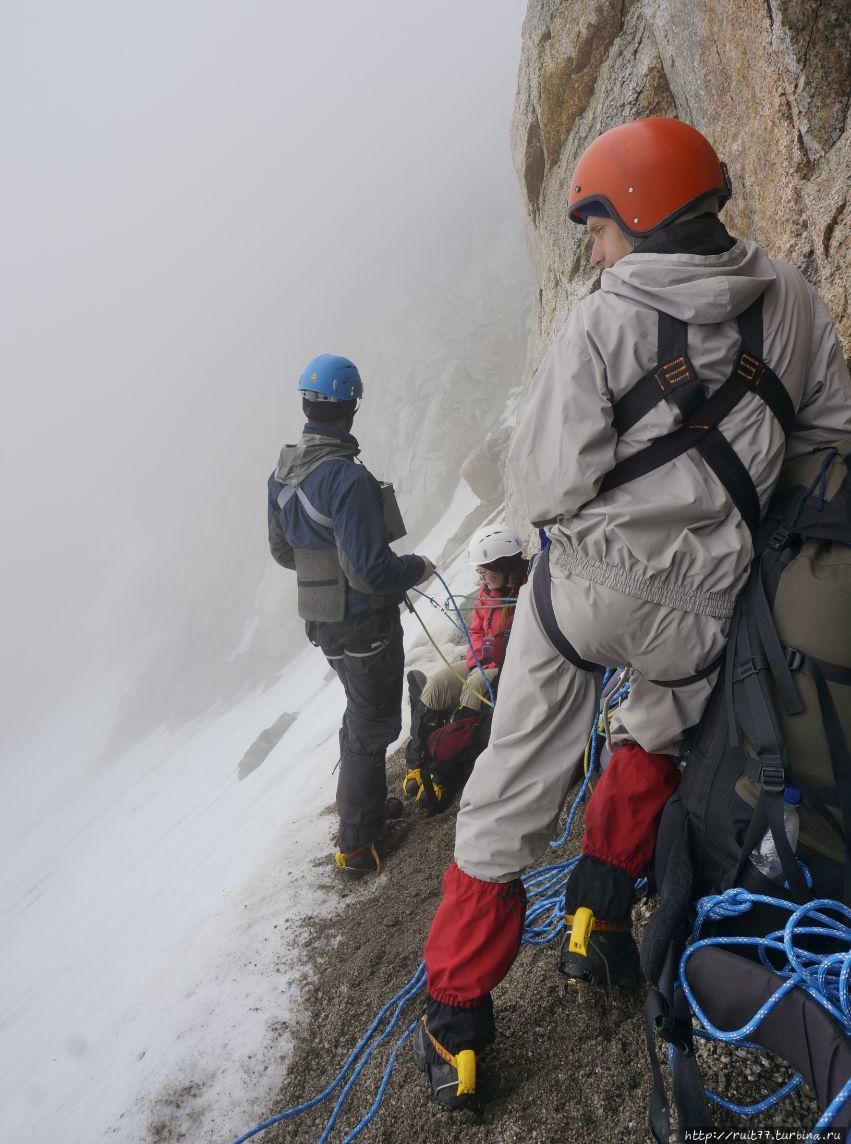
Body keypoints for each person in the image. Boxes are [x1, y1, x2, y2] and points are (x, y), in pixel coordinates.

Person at [412, 117, 851, 1108]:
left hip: (587, 592)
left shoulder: (604, 318)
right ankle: (596, 924)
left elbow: (544, 481)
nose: (595, 250)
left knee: (512, 787)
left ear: (641, 212)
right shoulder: (787, 295)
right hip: (702, 611)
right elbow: (828, 435)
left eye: (598, 227)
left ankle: (457, 1020)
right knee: (648, 738)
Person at [267, 353, 435, 876]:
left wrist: (327, 573)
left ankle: (360, 814)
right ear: (351, 407)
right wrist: (418, 566)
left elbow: (282, 552)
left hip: (324, 620)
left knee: (359, 714)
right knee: (372, 723)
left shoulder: (281, 474)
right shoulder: (347, 479)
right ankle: (359, 843)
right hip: (364, 622)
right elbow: (371, 572)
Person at [402, 526, 528, 808]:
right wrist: (475, 661)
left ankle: (446, 773)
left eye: (485, 571)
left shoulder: (527, 593)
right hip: (482, 662)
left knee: (474, 690)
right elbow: (475, 632)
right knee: (437, 684)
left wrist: (485, 664)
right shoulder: (487, 592)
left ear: (504, 566)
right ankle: (418, 758)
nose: (480, 577)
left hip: (509, 668)